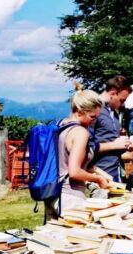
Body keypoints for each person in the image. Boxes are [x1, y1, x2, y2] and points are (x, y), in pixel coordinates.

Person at [44, 84, 110, 220]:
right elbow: (74, 172)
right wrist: (98, 179)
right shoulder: (80, 133)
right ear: (79, 111)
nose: (94, 121)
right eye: (92, 117)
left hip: (51, 195)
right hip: (70, 197)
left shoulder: (60, 125)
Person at [90, 76, 133, 183]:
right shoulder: (94, 110)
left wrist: (126, 144)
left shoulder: (114, 113)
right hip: (99, 175)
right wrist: (114, 145)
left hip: (115, 172)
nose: (123, 104)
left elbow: (110, 140)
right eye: (122, 100)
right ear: (113, 93)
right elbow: (85, 146)